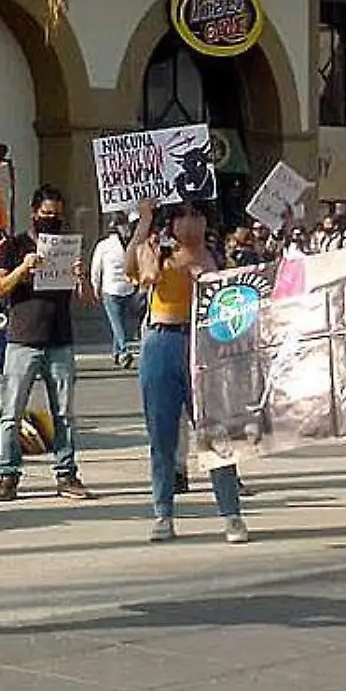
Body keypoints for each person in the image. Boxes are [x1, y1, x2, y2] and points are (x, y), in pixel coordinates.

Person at [127, 199, 250, 545]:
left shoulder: (214, 256)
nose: (191, 223)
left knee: (215, 432)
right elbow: (138, 271)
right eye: (183, 216)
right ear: (172, 222)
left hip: (202, 347)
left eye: (197, 215)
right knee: (162, 434)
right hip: (162, 342)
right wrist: (144, 225)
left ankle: (231, 513)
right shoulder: (158, 250)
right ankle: (163, 512)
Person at [0, 184, 92, 502]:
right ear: (35, 213)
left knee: (64, 413)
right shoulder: (14, 245)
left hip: (59, 339)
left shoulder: (68, 246)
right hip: (22, 339)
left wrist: (81, 277)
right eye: (47, 214)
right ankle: (8, 474)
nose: (52, 220)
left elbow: (88, 300)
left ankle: (66, 472)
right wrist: (23, 268)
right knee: (11, 413)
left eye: (58, 215)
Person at [90, 215, 142, 369]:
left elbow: (96, 268)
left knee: (119, 323)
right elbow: (96, 268)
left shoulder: (127, 245)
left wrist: (95, 286)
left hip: (121, 288)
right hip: (115, 289)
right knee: (118, 323)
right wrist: (95, 286)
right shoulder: (106, 246)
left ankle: (117, 352)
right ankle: (125, 350)